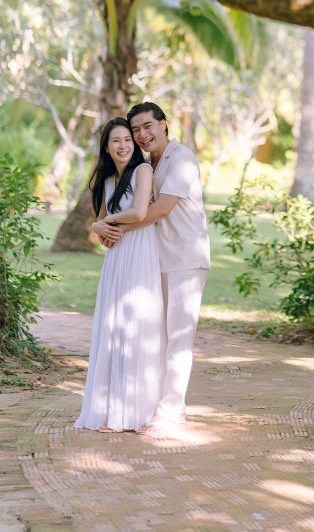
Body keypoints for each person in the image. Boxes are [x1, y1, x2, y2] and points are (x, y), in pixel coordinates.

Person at [98, 102, 210, 433]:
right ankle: (162, 405)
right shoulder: (149, 163)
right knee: (156, 336)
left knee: (178, 337)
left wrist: (112, 227)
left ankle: (171, 411)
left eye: (148, 126)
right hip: (157, 259)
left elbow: (160, 209)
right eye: (136, 130)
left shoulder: (182, 159)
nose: (142, 135)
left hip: (185, 260)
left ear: (164, 125)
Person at [74, 118, 164, 433]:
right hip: (116, 258)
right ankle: (110, 409)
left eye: (128, 139)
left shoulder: (143, 172)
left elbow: (139, 213)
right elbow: (100, 225)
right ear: (107, 146)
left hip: (139, 253)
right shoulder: (109, 179)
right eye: (116, 141)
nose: (124, 145)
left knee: (134, 327)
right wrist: (100, 228)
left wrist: (103, 224)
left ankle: (133, 413)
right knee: (112, 328)